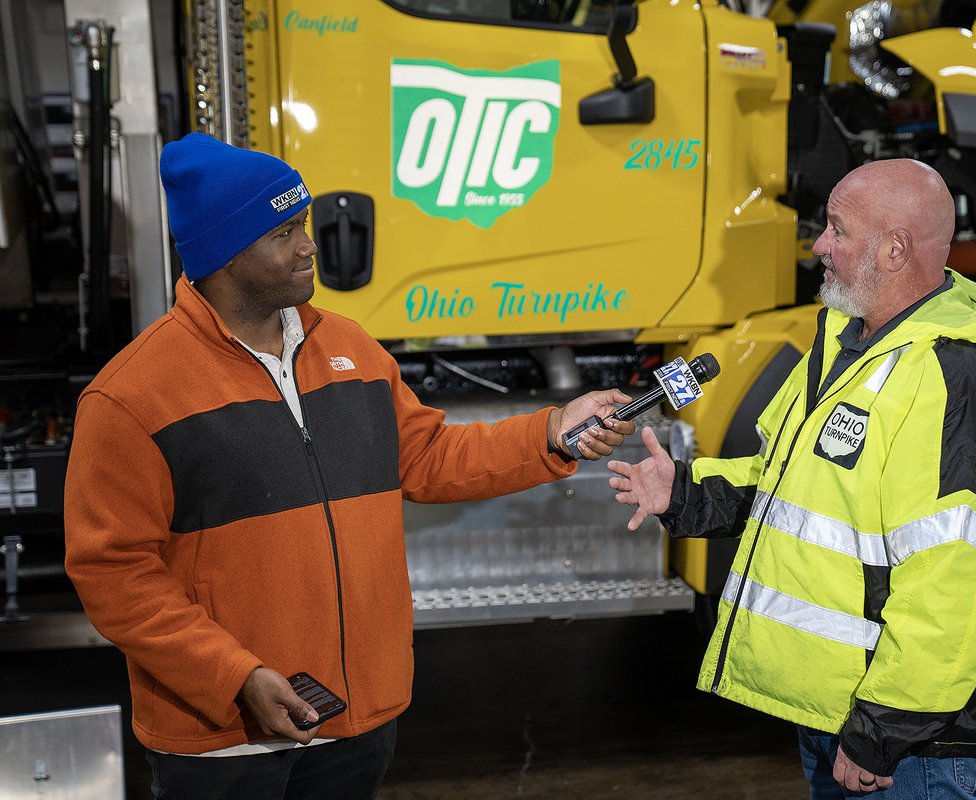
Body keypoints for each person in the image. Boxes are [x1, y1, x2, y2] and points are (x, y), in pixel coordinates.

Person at [63, 132, 634, 799]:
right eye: (283, 233)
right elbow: (113, 573)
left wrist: (553, 431)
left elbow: (428, 456)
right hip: (224, 738)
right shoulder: (132, 396)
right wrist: (234, 676)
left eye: (302, 225)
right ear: (222, 255)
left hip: (353, 719)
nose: (308, 245)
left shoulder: (351, 349)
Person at [608, 159, 976, 799]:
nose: (818, 244)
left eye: (837, 230)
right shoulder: (844, 347)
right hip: (835, 717)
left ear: (894, 250)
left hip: (903, 749)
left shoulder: (961, 383)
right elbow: (788, 485)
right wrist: (684, 492)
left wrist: (886, 730)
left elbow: (958, 584)